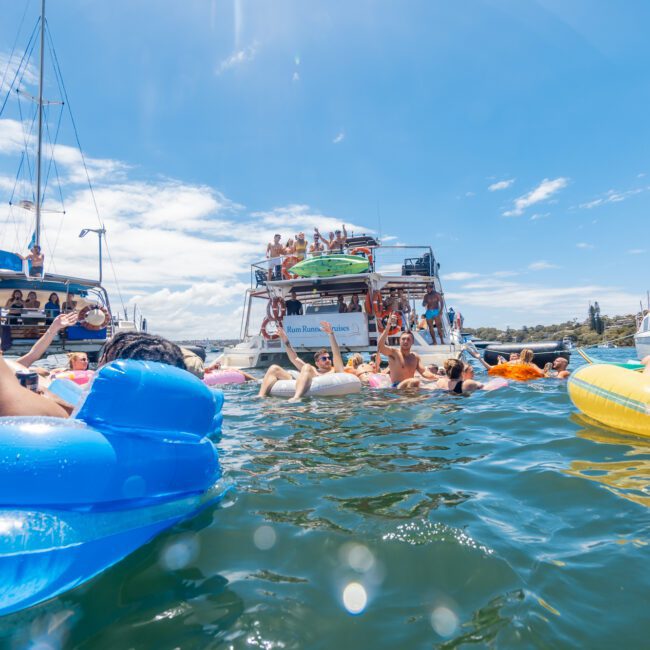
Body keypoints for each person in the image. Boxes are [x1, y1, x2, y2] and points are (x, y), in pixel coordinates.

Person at [259, 321, 345, 402]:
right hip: (301, 380)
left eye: (328, 358)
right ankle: (260, 396)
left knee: (306, 366)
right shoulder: (312, 370)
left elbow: (336, 353)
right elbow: (294, 358)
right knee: (273, 368)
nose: (327, 360)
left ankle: (296, 397)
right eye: (324, 359)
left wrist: (331, 334)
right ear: (317, 363)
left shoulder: (335, 370)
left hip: (322, 396)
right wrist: (284, 338)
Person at [377, 313, 437, 389]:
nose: (405, 341)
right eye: (403, 339)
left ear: (412, 342)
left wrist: (437, 377)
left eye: (408, 339)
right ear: (399, 341)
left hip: (410, 387)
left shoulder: (415, 357)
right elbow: (380, 347)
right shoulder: (394, 353)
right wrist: (388, 326)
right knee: (415, 382)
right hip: (396, 388)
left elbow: (424, 372)